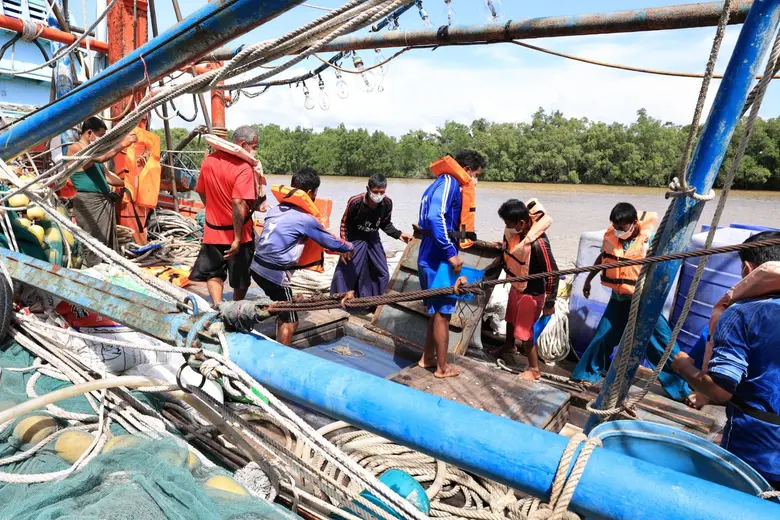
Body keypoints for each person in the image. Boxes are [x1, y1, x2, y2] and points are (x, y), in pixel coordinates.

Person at [672, 231, 780, 488]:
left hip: (759, 450)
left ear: (747, 268)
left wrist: (684, 367)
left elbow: (720, 392)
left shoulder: (742, 314)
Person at [571, 202, 692, 402]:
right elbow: (604, 258)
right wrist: (588, 279)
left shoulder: (651, 241)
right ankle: (586, 374)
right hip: (619, 298)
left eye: (622, 227)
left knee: (660, 344)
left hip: (644, 300)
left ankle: (683, 389)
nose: (618, 231)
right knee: (603, 336)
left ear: (634, 223)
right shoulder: (612, 238)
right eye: (615, 226)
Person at [251, 168, 354, 346]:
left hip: (256, 267)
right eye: (315, 193)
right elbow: (331, 242)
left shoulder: (276, 210)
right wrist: (350, 246)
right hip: (274, 276)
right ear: (309, 193)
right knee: (292, 320)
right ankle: (280, 356)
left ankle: (279, 324)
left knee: (283, 307)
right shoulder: (304, 219)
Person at [416, 150, 486, 378]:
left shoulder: (438, 183)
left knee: (436, 311)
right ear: (466, 170)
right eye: (476, 175)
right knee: (443, 314)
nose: (475, 180)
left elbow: (442, 221)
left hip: (429, 255)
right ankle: (443, 368)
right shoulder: (450, 182)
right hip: (438, 260)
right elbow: (437, 217)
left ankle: (427, 358)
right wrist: (450, 254)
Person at [491, 199, 559, 381]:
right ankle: (508, 346)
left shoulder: (539, 244)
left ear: (521, 223)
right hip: (516, 285)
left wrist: (550, 302)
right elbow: (509, 251)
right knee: (510, 319)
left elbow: (553, 273)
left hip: (532, 293)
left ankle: (534, 368)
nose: (508, 228)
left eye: (510, 225)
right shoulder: (513, 233)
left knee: (525, 331)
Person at [190, 126, 259, 305]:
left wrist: (212, 208)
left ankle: (218, 305)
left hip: (212, 231)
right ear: (244, 144)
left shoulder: (209, 161)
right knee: (241, 278)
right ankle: (235, 308)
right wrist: (236, 238)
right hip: (239, 236)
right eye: (254, 146)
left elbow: (201, 191)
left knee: (213, 273)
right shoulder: (244, 168)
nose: (255, 151)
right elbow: (238, 202)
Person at [67, 117, 138, 267]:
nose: (101, 141)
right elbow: (100, 158)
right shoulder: (76, 148)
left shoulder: (93, 155)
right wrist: (122, 144)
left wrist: (130, 182)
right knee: (94, 240)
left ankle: (105, 270)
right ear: (89, 133)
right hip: (89, 202)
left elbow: (109, 177)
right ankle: (92, 270)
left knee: (105, 241)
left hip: (103, 202)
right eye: (100, 137)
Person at [331, 174, 412, 298]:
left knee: (382, 271)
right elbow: (344, 223)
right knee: (346, 270)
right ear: (368, 189)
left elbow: (385, 223)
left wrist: (399, 235)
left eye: (382, 192)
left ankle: (373, 302)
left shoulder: (387, 203)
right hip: (354, 238)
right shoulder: (356, 202)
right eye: (375, 192)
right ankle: (338, 302)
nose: (378, 195)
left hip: (372, 238)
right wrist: (343, 246)